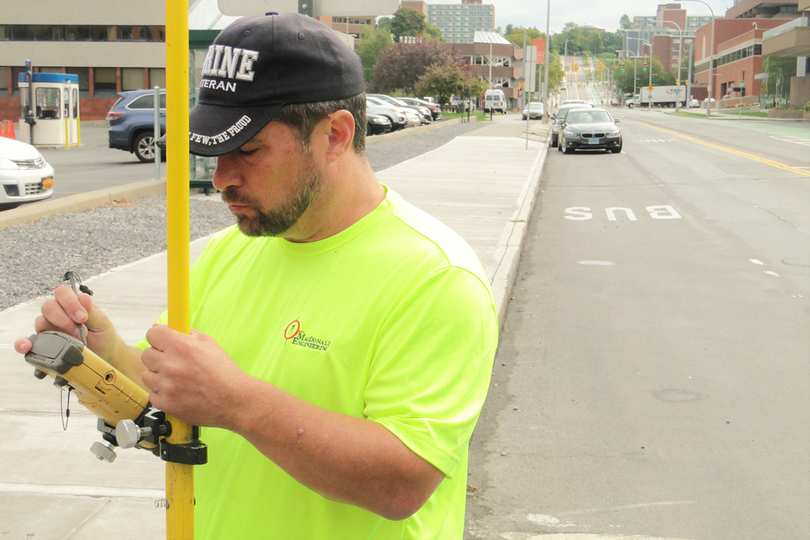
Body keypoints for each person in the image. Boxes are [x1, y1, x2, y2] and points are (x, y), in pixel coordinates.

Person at [16, 13, 498, 540]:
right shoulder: (228, 253)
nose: (222, 178)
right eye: (215, 152)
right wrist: (103, 352)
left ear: (335, 135)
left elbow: (402, 483)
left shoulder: (434, 278)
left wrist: (239, 403)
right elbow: (174, 405)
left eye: (247, 150)